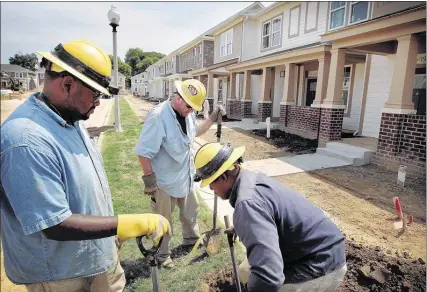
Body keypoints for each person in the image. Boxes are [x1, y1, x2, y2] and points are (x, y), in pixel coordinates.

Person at [0, 39, 171, 292]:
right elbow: (54, 225)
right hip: (62, 277)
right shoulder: (25, 140)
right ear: (68, 84)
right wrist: (122, 223)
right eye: (95, 93)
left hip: (97, 257)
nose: (99, 102)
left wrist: (111, 233)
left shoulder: (69, 119)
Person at [194, 142, 347, 292]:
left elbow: (269, 277)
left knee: (263, 282)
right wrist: (241, 226)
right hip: (316, 250)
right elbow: (270, 214)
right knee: (244, 271)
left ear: (224, 177)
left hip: (321, 265)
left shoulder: (247, 204)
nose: (210, 188)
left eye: (210, 182)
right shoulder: (253, 180)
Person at [135, 79, 226, 268]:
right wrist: (149, 181)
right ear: (178, 97)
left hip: (185, 176)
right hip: (164, 182)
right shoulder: (159, 116)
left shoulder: (187, 113)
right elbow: (143, 152)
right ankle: (162, 255)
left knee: (190, 212)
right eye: (189, 106)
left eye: (194, 108)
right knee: (163, 221)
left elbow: (195, 132)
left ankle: (191, 240)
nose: (191, 110)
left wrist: (210, 118)